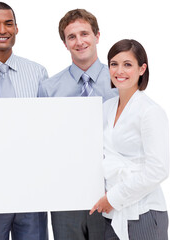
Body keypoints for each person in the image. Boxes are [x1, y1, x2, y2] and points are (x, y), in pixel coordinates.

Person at [38, 9, 118, 240]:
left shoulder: (119, 81)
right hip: (66, 193)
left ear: (97, 36)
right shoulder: (49, 88)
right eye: (71, 36)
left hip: (111, 190)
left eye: (84, 33)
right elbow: (44, 140)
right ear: (65, 43)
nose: (79, 41)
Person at [0, 2, 48, 240]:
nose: (2, 29)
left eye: (8, 23)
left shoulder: (37, 72)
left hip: (31, 186)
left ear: (17, 28)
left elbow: (46, 129)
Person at [89, 39, 169, 240]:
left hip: (143, 214)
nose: (119, 71)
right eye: (114, 64)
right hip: (111, 213)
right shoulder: (106, 107)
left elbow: (158, 169)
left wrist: (114, 198)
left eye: (127, 64)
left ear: (142, 69)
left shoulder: (150, 112)